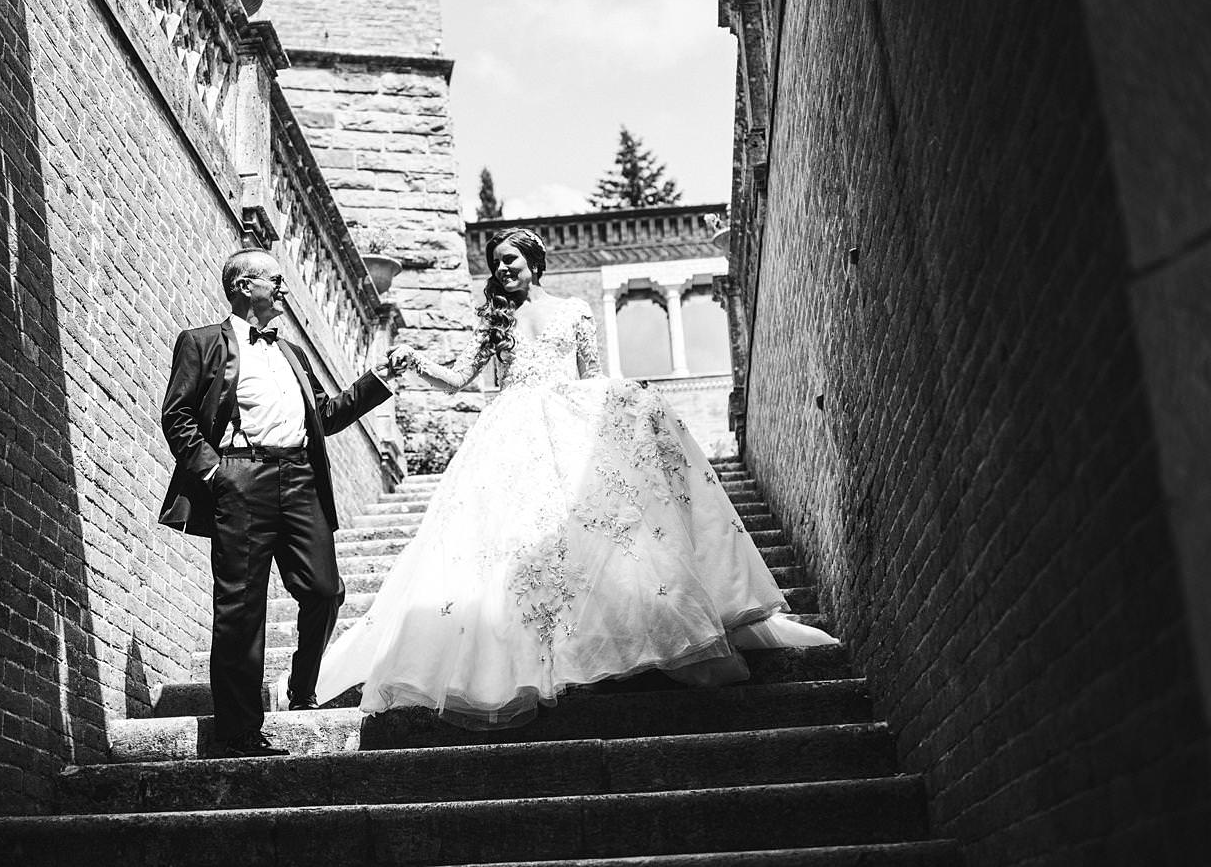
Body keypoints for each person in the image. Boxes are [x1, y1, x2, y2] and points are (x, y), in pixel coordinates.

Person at [314, 227, 836, 727]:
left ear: (533, 261)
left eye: (509, 260)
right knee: (514, 543)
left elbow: (592, 377)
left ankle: (618, 638)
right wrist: (415, 362)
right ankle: (537, 656)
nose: (502, 269)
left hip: (568, 423)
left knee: (598, 533)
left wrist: (627, 406)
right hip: (510, 432)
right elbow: (457, 381)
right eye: (495, 264)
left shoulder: (574, 310)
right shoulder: (494, 322)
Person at [158, 248, 411, 757]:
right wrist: (214, 472)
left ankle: (302, 686)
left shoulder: (291, 352)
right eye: (274, 279)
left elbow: (327, 415)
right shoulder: (201, 342)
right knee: (241, 606)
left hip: (299, 479)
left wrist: (379, 378)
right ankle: (239, 731)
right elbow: (177, 414)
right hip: (240, 477)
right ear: (243, 286)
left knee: (325, 590)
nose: (283, 288)